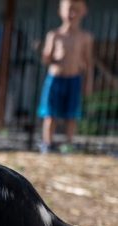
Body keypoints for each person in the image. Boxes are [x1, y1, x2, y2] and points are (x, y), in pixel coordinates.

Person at [38, 0, 93, 153]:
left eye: (76, 10)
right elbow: (46, 59)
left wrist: (88, 83)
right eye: (69, 9)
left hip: (74, 80)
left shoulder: (85, 38)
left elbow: (88, 63)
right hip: (55, 78)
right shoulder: (54, 35)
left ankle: (68, 143)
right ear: (61, 11)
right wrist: (49, 56)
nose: (72, 14)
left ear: (84, 11)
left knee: (72, 114)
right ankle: (47, 144)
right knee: (50, 113)